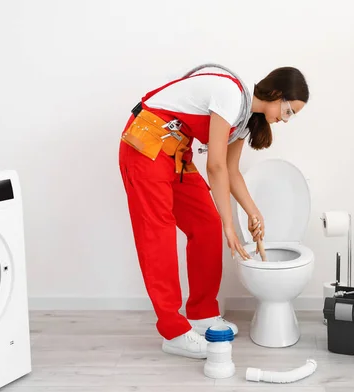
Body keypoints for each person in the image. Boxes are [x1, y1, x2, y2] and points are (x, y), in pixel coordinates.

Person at [118, 63, 309, 359]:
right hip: (146, 145)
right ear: (275, 93)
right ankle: (174, 332)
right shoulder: (231, 94)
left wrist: (253, 212)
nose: (287, 120)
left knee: (206, 223)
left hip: (175, 151)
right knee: (159, 235)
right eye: (288, 112)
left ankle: (201, 313)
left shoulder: (246, 120)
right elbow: (215, 166)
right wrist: (230, 226)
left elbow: (231, 171)